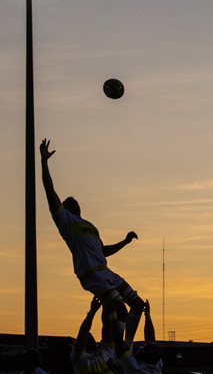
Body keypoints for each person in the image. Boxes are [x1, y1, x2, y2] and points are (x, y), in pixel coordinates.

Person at [39, 138, 143, 323]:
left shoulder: (91, 226)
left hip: (105, 270)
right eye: (68, 201)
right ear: (64, 207)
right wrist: (44, 162)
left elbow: (103, 251)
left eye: (75, 199)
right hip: (91, 274)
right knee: (119, 309)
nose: (73, 200)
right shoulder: (65, 220)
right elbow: (49, 189)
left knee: (137, 305)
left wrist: (125, 241)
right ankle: (115, 349)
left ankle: (125, 346)